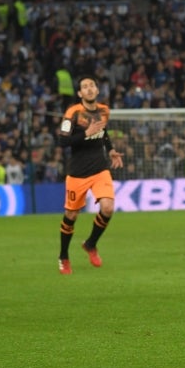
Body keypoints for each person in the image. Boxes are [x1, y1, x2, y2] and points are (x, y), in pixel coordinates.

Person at [56, 75, 124, 275]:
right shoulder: (73, 112)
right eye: (84, 87)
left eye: (92, 85)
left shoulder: (104, 110)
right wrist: (86, 133)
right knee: (71, 215)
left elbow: (103, 133)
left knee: (108, 207)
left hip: (100, 168)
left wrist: (110, 150)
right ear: (79, 93)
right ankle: (63, 256)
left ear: (97, 89)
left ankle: (91, 244)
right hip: (77, 172)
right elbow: (63, 141)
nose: (89, 89)